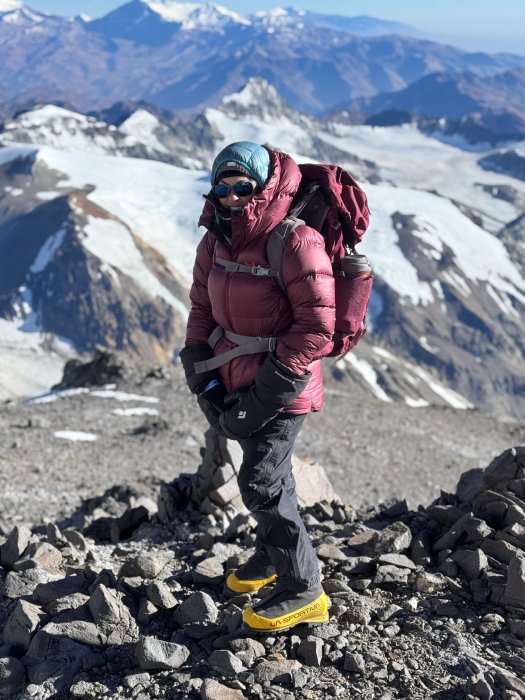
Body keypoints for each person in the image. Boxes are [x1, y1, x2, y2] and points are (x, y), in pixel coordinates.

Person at [180, 141, 335, 632]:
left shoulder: (295, 240)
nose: (230, 197)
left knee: (261, 481)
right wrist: (198, 369)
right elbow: (202, 309)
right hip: (231, 377)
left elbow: (316, 328)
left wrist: (269, 390)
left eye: (242, 187)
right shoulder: (216, 239)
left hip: (282, 386)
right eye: (221, 187)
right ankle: (273, 558)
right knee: (266, 474)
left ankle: (304, 588)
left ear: (264, 186)